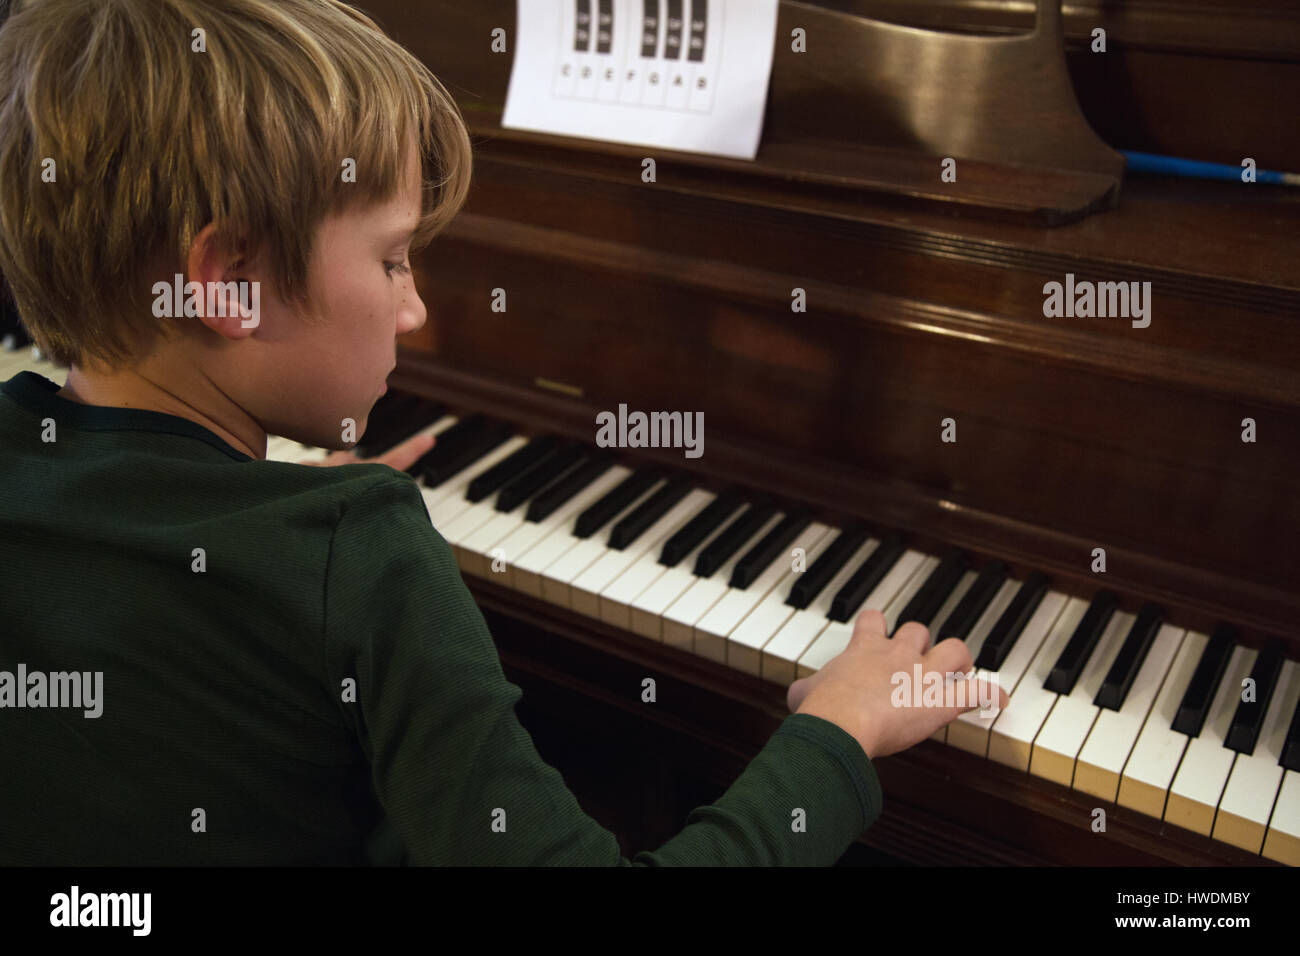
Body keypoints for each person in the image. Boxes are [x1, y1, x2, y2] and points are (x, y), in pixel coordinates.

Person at [0, 0, 1005, 865]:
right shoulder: (361, 551)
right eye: (394, 259)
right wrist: (838, 727)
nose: (415, 311)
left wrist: (290, 516)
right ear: (226, 282)